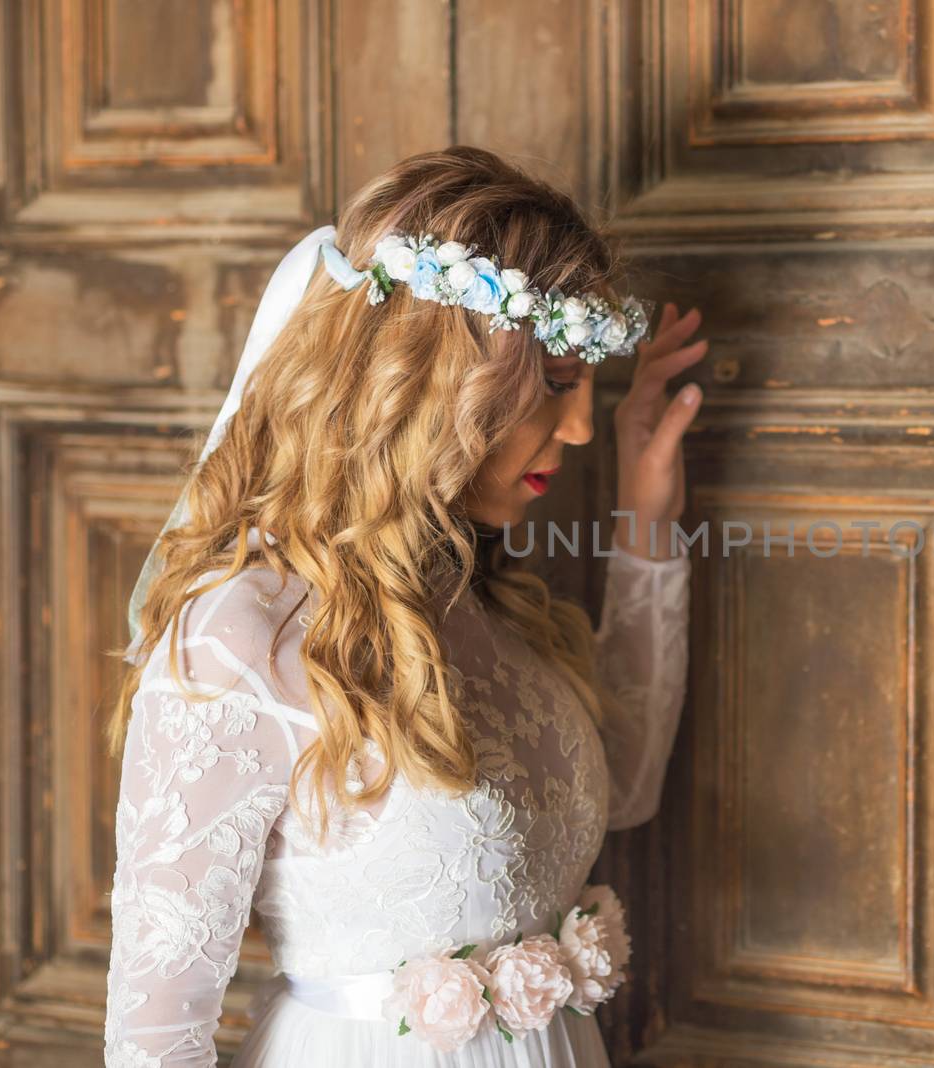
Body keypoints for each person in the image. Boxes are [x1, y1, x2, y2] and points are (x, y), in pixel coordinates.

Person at [102, 145, 707, 1067]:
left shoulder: (491, 608)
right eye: (553, 380)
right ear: (432, 375)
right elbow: (156, 1036)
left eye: (586, 383)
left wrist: (648, 510)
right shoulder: (240, 637)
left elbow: (624, 790)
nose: (579, 427)